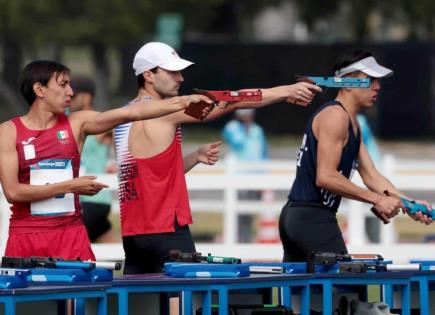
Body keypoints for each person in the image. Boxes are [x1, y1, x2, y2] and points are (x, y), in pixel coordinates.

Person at [115, 41, 322, 274]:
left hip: (133, 236)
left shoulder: (123, 119)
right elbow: (233, 101)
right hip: (167, 232)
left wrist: (195, 156)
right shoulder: (168, 112)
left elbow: (153, 175)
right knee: (182, 304)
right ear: (148, 75)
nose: (180, 78)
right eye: (172, 72)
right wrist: (286, 91)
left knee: (138, 306)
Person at [0, 60, 212, 261]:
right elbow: (13, 192)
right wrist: (70, 186)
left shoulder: (78, 123)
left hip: (71, 236)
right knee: (24, 300)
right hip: (25, 236)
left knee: (80, 299)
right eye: (63, 84)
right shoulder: (8, 132)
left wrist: (183, 101)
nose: (71, 92)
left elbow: (133, 112)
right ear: (39, 89)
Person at [279, 49, 433, 262]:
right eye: (370, 80)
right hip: (311, 218)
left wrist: (409, 203)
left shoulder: (353, 124)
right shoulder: (335, 116)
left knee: (304, 293)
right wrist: (377, 199)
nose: (377, 87)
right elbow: (326, 177)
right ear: (348, 82)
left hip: (303, 217)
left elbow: (372, 176)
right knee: (350, 289)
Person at [70, 76, 118, 243]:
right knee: (117, 249)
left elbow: (128, 137)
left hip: (94, 199)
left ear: (87, 96)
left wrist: (117, 163)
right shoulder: (67, 120)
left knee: (69, 247)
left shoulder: (100, 122)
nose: (69, 99)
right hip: (74, 198)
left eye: (74, 96)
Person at [222, 108, 268, 242]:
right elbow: (237, 144)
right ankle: (237, 239)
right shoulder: (231, 128)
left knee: (250, 212)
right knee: (238, 213)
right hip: (239, 176)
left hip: (256, 177)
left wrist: (263, 177)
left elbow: (263, 153)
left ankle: (246, 240)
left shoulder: (257, 130)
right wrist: (245, 128)